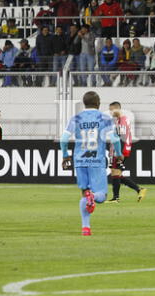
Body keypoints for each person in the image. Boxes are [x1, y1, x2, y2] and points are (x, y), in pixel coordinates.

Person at [60, 91, 123, 236]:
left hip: (79, 160)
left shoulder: (75, 118)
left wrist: (65, 156)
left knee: (85, 193)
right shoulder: (104, 118)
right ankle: (92, 197)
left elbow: (64, 139)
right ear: (98, 103)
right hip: (96, 160)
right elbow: (114, 139)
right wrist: (119, 154)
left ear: (84, 103)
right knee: (101, 195)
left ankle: (86, 228)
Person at [107, 102, 147, 203]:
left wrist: (120, 153)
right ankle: (139, 189)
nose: (111, 112)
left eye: (112, 110)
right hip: (118, 149)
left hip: (119, 150)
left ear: (117, 109)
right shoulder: (121, 120)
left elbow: (122, 138)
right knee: (116, 174)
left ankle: (116, 198)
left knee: (116, 173)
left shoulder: (122, 121)